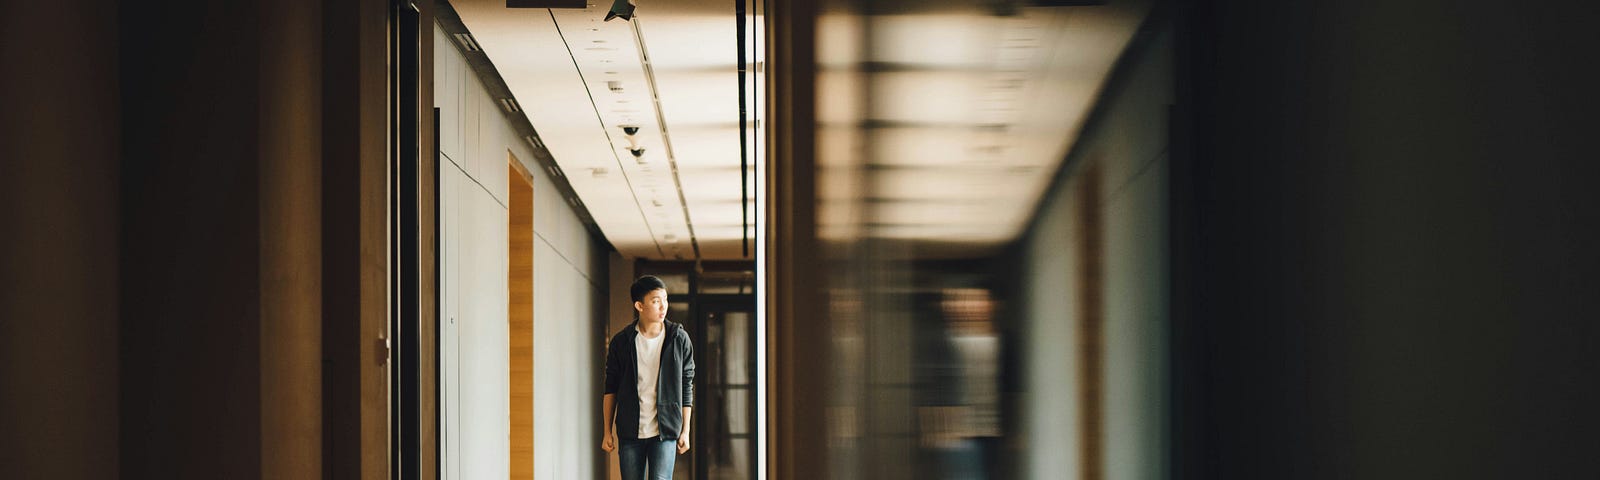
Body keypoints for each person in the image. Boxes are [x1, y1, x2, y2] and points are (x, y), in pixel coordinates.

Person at [602, 275, 695, 480]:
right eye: (655, 301)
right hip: (630, 432)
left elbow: (686, 385)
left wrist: (685, 430)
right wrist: (607, 431)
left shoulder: (678, 338)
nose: (663, 306)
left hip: (665, 432)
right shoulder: (622, 342)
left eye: (665, 299)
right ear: (639, 305)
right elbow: (611, 388)